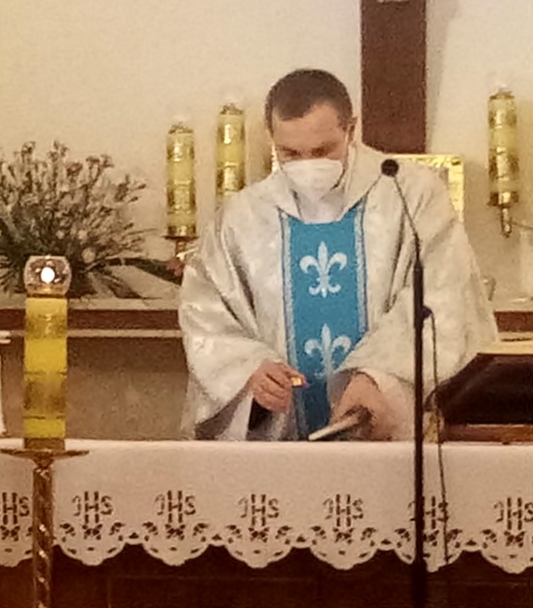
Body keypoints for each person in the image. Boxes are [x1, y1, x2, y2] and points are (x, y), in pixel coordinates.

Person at [179, 69, 497, 441]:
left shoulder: (410, 195)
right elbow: (206, 313)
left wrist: (377, 375)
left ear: (351, 129)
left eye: (322, 150)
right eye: (290, 153)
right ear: (271, 138)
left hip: (384, 431)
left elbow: (444, 295)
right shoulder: (242, 217)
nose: (307, 164)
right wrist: (248, 369)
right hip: (281, 442)